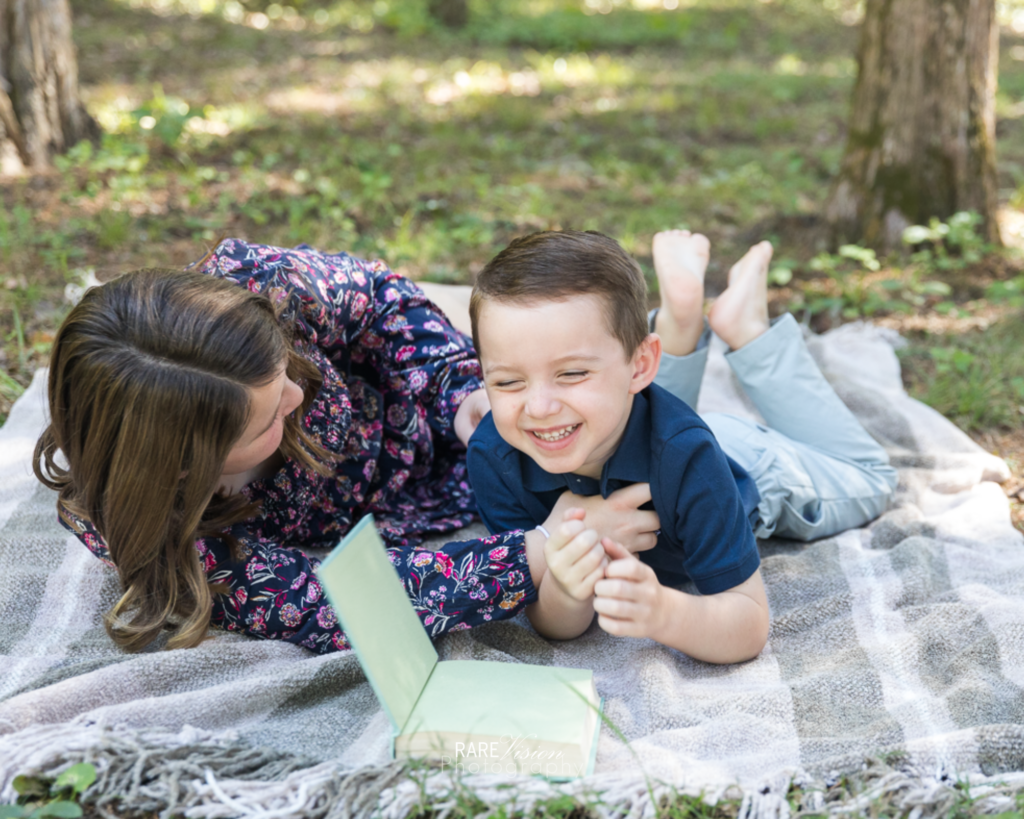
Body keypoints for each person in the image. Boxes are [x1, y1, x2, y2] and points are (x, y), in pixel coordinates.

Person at [34, 239, 661, 654]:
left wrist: (458, 391)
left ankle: (679, 336)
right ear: (184, 466)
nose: (295, 400)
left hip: (422, 408)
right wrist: (541, 549)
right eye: (264, 422)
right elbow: (338, 602)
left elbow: (383, 300)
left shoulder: (256, 289)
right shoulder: (158, 536)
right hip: (404, 505)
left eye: (286, 374)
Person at [466, 229, 898, 663]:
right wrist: (564, 587)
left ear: (641, 366)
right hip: (635, 430)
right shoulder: (496, 456)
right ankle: (682, 319)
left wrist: (665, 612)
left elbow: (748, 624)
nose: (538, 408)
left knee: (871, 477)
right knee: (626, 420)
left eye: (572, 374)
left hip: (749, 464)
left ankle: (749, 332)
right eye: (508, 382)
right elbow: (550, 619)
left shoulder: (690, 459)